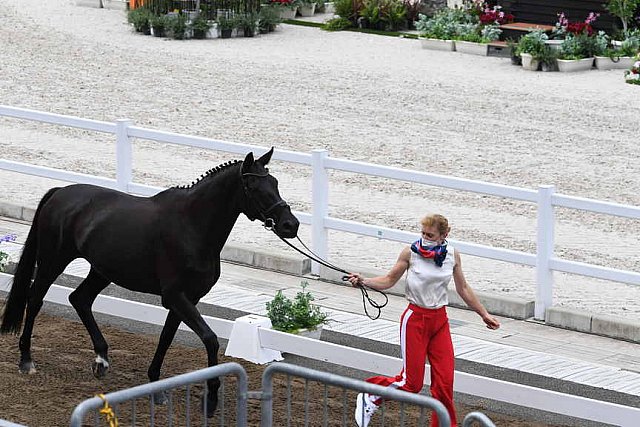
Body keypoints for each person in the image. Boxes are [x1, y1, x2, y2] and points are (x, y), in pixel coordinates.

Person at [347, 214, 500, 427]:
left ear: (444, 235)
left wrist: (483, 313)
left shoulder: (452, 255)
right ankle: (371, 394)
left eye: (430, 235)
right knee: (411, 384)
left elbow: (463, 288)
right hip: (415, 319)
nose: (425, 238)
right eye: (423, 233)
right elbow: (389, 280)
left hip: (440, 322)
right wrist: (364, 281)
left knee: (445, 384)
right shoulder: (410, 253)